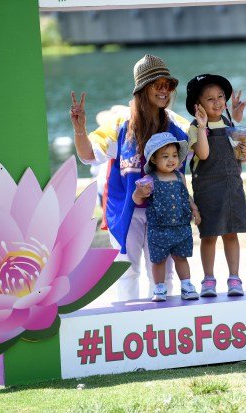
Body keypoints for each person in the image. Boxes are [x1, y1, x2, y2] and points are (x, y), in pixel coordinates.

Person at [70, 54, 190, 302]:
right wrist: (79, 128)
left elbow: (202, 154)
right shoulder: (120, 124)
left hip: (164, 211)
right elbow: (88, 153)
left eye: (168, 85)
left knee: (163, 275)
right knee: (127, 271)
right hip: (126, 208)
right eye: (158, 85)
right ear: (143, 88)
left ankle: (161, 328)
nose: (164, 91)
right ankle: (130, 329)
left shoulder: (178, 125)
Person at [185, 74, 246, 297]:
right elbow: (203, 154)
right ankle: (208, 279)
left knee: (231, 234)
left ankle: (234, 278)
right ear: (198, 105)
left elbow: (242, 154)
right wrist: (204, 126)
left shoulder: (229, 123)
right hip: (207, 189)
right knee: (209, 236)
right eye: (210, 99)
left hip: (232, 186)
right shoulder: (195, 127)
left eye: (220, 97)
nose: (217, 102)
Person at [132, 132, 201, 301]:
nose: (171, 160)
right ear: (154, 160)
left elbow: (186, 195)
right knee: (158, 260)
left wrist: (195, 209)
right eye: (165, 156)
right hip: (159, 228)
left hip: (180, 227)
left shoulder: (179, 176)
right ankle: (159, 288)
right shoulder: (150, 179)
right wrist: (139, 192)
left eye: (175, 156)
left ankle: (186, 285)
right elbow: (136, 199)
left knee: (181, 258)